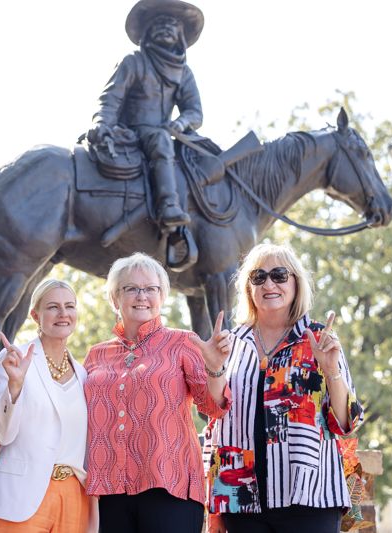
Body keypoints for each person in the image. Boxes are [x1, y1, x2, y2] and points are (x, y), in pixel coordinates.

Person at [204, 243, 365, 533]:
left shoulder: (319, 338)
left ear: (296, 283)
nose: (269, 283)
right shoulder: (231, 344)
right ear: (249, 287)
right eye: (259, 276)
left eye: (279, 275)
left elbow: (345, 422)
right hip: (242, 500)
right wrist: (214, 504)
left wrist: (331, 371)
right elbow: (215, 419)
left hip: (308, 497)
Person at [83, 252, 231, 533]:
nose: (142, 296)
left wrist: (214, 368)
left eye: (151, 289)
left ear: (162, 297)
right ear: (115, 298)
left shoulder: (184, 343)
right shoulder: (95, 355)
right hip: (110, 491)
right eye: (131, 289)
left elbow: (213, 406)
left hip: (170, 487)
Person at [0, 279, 97, 532]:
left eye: (70, 306)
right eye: (53, 307)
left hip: (74, 498)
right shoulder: (13, 360)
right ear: (36, 315)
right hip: (19, 498)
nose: (63, 314)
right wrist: (15, 386)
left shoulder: (84, 374)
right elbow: (1, 434)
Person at [87, 0, 205, 228]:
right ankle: (168, 205)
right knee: (161, 140)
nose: (165, 27)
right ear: (148, 30)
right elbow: (111, 99)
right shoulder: (133, 61)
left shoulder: (184, 73)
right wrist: (101, 122)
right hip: (132, 131)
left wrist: (180, 123)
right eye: (159, 22)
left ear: (180, 32)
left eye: (171, 23)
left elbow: (195, 111)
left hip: (168, 131)